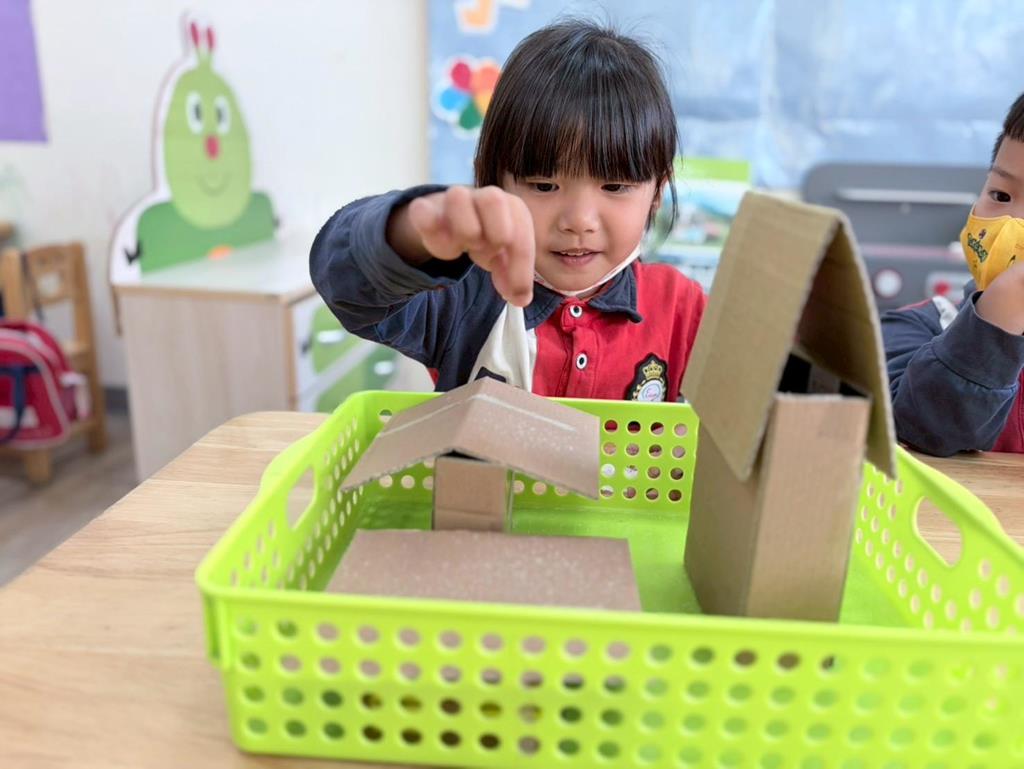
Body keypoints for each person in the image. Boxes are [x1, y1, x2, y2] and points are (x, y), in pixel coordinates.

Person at [310, 19, 706, 401]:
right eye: (544, 186)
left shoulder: (682, 308)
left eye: (615, 187)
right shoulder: (461, 294)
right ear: (493, 181)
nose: (579, 221)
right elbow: (347, 287)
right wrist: (409, 234)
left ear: (657, 191)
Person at [883, 93, 1024, 455]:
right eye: (1001, 196)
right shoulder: (917, 326)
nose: (1013, 225)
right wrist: (999, 312)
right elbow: (920, 431)